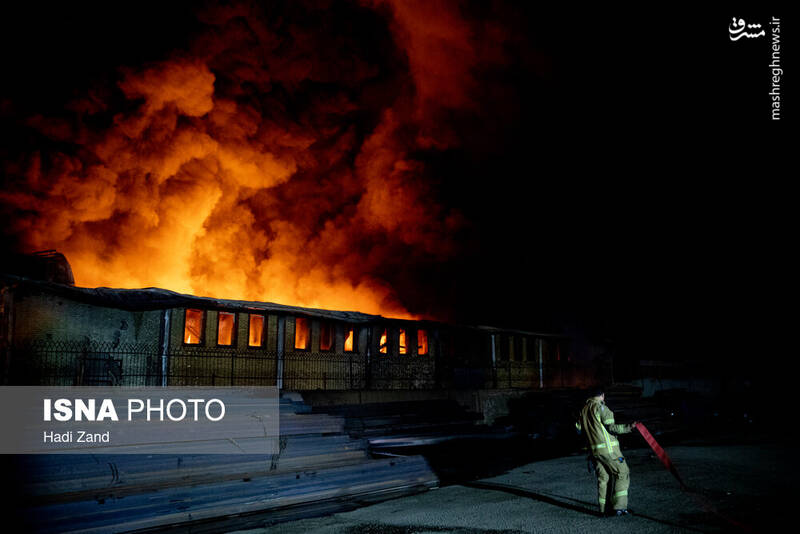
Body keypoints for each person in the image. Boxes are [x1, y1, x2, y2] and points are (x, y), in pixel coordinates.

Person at [575, 387, 638, 517]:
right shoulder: (602, 408)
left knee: (604, 478)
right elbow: (612, 428)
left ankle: (603, 510)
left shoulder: (584, 410)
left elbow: (578, 429)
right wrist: (629, 427)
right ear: (602, 395)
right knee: (622, 472)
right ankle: (619, 508)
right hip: (609, 451)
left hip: (594, 452)